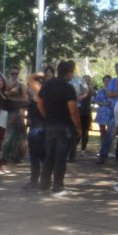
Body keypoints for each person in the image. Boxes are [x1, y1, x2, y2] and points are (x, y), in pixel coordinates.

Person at [37, 60, 81, 197]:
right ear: (68, 73)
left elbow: (39, 102)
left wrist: (47, 115)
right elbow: (73, 110)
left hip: (50, 124)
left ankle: (44, 186)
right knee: (60, 157)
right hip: (65, 126)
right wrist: (78, 127)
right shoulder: (68, 88)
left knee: (49, 156)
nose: (72, 75)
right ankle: (58, 187)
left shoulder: (47, 84)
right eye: (72, 72)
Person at [98, 62, 118, 164]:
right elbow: (109, 94)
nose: (117, 71)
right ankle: (103, 155)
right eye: (116, 69)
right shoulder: (113, 81)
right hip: (114, 111)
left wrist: (117, 94)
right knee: (109, 135)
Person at [23, 73, 46, 191]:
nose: (29, 86)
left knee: (36, 158)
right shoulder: (41, 96)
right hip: (39, 129)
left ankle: (35, 181)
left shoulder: (37, 96)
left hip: (37, 130)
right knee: (42, 157)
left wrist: (37, 75)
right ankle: (43, 181)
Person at [1, 66, 28, 163]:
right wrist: (9, 94)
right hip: (8, 112)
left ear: (18, 74)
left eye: (16, 73)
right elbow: (3, 98)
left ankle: (17, 156)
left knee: (20, 137)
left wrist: (12, 98)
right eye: (12, 73)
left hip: (18, 112)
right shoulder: (6, 84)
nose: (14, 75)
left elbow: (25, 100)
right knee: (8, 135)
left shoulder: (21, 85)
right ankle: (5, 155)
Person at [94, 75, 114, 159]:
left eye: (108, 80)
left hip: (111, 114)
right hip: (102, 114)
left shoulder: (114, 91)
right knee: (102, 132)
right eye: (105, 80)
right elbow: (97, 101)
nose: (107, 82)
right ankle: (102, 149)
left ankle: (111, 150)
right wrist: (104, 104)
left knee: (111, 133)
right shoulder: (100, 91)